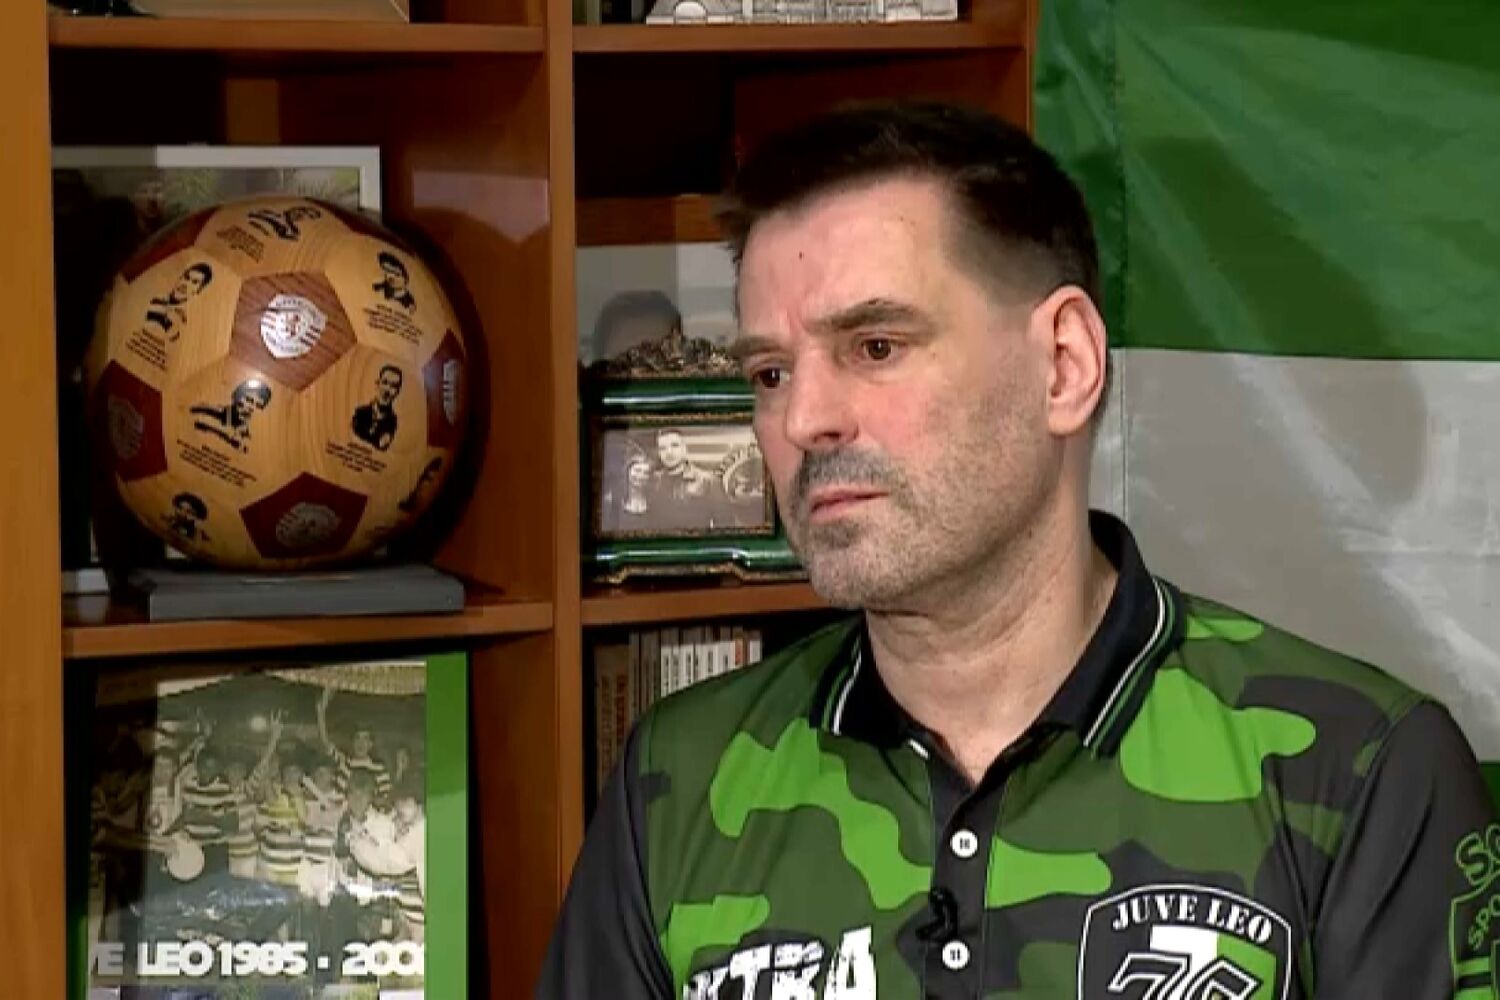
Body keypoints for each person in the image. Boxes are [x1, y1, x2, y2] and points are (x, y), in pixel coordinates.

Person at [538, 101, 1500, 999]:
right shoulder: (679, 782)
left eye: (876, 347)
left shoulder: (1362, 771)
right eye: (771, 372)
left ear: (1064, 365)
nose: (804, 420)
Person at [351, 365, 402, 451]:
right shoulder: (360, 412)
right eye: (384, 382)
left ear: (397, 392)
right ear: (377, 384)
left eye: (393, 386)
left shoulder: (392, 422)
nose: (387, 390)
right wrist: (375, 441)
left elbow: (382, 447)